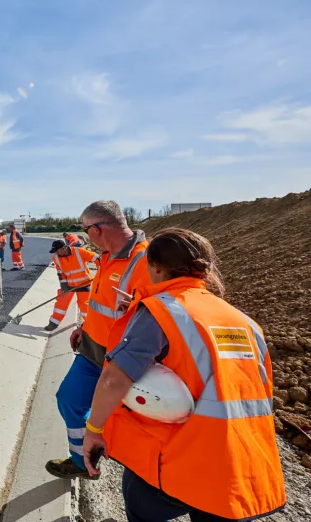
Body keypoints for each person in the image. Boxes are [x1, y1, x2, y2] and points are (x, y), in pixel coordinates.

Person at [82, 228, 285, 521]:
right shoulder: (245, 322)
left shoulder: (159, 313)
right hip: (240, 462)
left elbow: (114, 379)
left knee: (142, 509)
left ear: (155, 267)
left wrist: (94, 430)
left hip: (182, 456)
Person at [45, 200, 150, 480]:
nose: (85, 237)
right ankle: (82, 462)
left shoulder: (146, 262)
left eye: (85, 230)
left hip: (121, 360)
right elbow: (100, 303)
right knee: (69, 399)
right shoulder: (106, 256)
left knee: (126, 422)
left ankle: (121, 461)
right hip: (92, 350)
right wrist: (84, 327)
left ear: (98, 229)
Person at [45, 240, 100, 332]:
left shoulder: (79, 252)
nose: (56, 253)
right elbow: (60, 273)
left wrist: (100, 272)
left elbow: (97, 258)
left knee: (84, 305)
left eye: (57, 250)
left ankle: (90, 324)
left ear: (63, 248)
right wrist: (63, 285)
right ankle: (54, 322)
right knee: (61, 302)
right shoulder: (56, 257)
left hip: (84, 283)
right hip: (69, 285)